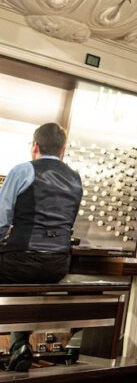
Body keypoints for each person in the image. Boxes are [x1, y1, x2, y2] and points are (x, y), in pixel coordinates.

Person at [0, 123, 83, 371]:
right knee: (25, 284)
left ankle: (18, 344)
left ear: (34, 146)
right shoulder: (75, 178)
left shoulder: (23, 170)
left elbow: (2, 221)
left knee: (17, 273)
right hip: (57, 265)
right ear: (63, 150)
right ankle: (19, 345)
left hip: (21, 261)